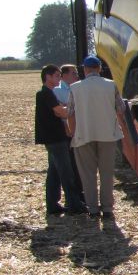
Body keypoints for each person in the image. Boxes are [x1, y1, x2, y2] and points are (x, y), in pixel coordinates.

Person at [67, 55, 125, 218]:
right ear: (99, 68)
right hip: (108, 134)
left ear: (84, 69)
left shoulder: (75, 87)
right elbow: (120, 109)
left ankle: (92, 208)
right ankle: (107, 208)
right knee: (107, 173)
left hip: (84, 135)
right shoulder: (111, 85)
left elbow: (70, 113)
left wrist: (73, 132)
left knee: (88, 174)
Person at [35, 65, 84, 215]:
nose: (58, 78)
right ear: (48, 77)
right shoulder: (46, 94)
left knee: (54, 173)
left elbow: (59, 111)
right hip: (55, 138)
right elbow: (60, 112)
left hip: (52, 138)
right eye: (56, 75)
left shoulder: (47, 93)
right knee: (66, 172)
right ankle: (75, 205)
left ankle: (52, 204)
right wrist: (72, 109)